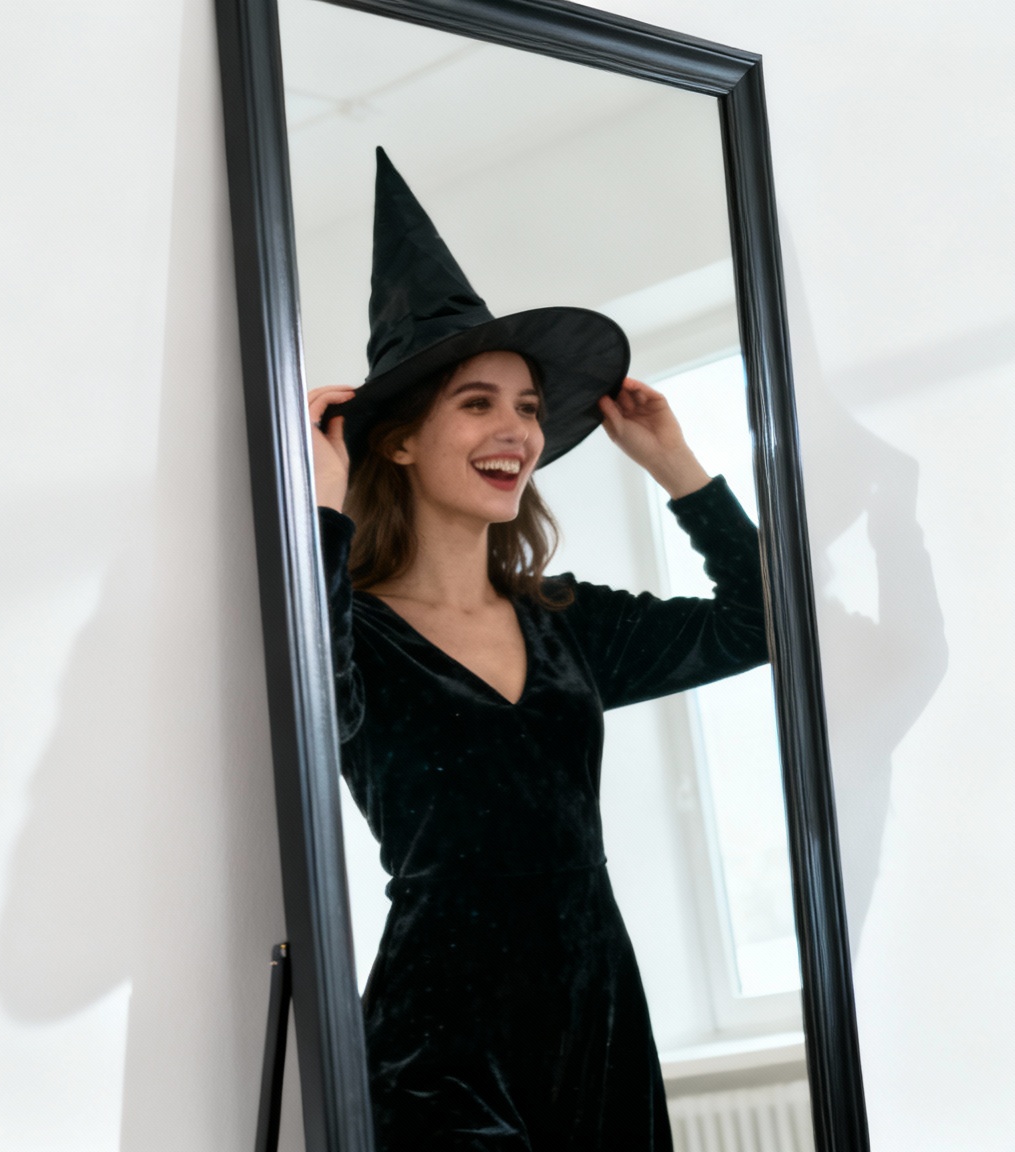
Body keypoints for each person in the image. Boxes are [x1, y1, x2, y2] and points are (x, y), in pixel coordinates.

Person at [310, 149, 767, 1150]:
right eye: (477, 403)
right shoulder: (346, 625)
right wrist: (324, 501)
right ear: (395, 440)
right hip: (437, 1044)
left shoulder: (563, 618)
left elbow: (760, 623)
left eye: (526, 407)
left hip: (597, 1013)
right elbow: (303, 684)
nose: (515, 429)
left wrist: (679, 468)